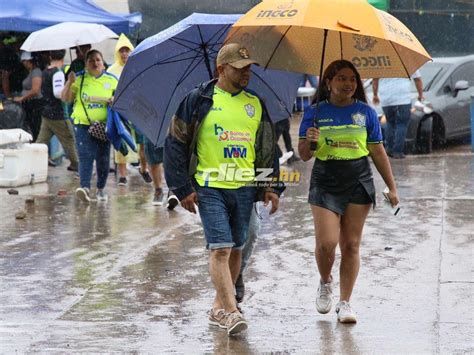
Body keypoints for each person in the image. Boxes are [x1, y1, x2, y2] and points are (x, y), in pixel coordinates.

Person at [164, 43, 280, 335]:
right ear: (221, 70)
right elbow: (176, 144)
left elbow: (266, 148)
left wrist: (270, 185)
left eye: (249, 68)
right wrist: (182, 187)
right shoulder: (197, 100)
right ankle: (230, 311)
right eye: (240, 69)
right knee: (221, 248)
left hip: (244, 187)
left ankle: (218, 306)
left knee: (238, 247)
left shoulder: (255, 103)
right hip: (209, 186)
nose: (246, 73)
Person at [298, 59, 399, 324]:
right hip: (325, 179)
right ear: (328, 82)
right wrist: (310, 141)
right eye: (341, 78)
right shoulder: (314, 112)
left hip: (358, 179)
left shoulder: (366, 112)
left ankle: (345, 303)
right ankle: (324, 281)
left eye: (352, 79)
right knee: (327, 243)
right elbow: (304, 155)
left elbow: (377, 151)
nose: (348, 84)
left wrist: (391, 186)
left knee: (351, 244)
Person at [61, 50, 118, 203]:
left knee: (103, 158)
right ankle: (84, 187)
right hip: (82, 125)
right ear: (86, 64)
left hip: (104, 126)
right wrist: (69, 82)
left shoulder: (112, 80)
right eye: (91, 60)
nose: (94, 63)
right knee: (85, 155)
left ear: (103, 63)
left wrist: (114, 100)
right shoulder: (79, 78)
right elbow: (66, 99)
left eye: (98, 60)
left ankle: (100, 188)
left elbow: (122, 101)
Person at [107, 34, 148, 186]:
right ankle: (122, 174)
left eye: (127, 50)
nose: (124, 53)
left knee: (142, 142)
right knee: (121, 141)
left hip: (138, 110)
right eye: (122, 51)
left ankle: (144, 167)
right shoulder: (111, 70)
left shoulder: (138, 67)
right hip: (120, 111)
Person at [36, 49, 79, 172]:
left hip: (46, 111)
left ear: (50, 56)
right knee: (69, 140)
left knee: (40, 142)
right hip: (58, 114)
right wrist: (69, 83)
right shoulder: (57, 73)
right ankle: (78, 165)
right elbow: (58, 93)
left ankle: (30, 161)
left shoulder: (45, 71)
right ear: (63, 56)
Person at [372, 72, 424, 159]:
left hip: (386, 98)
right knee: (402, 124)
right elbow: (417, 79)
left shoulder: (382, 61)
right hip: (403, 98)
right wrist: (420, 95)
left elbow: (375, 80)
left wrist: (375, 94)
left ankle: (389, 149)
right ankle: (398, 152)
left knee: (390, 123)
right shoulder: (407, 61)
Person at [14, 51, 43, 141]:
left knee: (35, 126)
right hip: (30, 104)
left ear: (28, 61)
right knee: (30, 125)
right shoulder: (30, 73)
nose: (23, 64)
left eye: (24, 61)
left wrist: (22, 98)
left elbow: (35, 90)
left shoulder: (36, 72)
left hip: (35, 104)